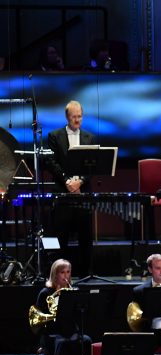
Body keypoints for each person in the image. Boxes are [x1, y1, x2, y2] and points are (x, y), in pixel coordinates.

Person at [45, 101, 95, 276]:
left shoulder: (90, 138)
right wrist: (67, 182)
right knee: (60, 238)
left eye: (79, 116)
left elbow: (93, 166)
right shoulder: (54, 136)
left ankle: (85, 275)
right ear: (67, 117)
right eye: (74, 117)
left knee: (85, 238)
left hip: (82, 195)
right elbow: (51, 162)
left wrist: (79, 182)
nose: (77, 120)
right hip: (62, 194)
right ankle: (58, 276)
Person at [34, 258, 89, 355]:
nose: (66, 275)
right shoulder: (45, 293)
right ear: (55, 274)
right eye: (62, 272)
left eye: (68, 272)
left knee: (86, 340)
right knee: (62, 343)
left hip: (69, 331)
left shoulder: (73, 292)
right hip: (52, 333)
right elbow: (40, 320)